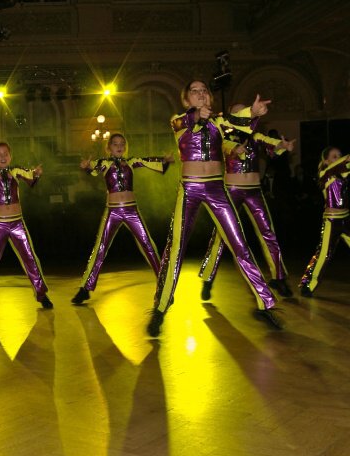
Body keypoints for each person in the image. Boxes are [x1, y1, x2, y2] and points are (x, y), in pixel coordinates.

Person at [147, 81, 280, 337]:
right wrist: (197, 115)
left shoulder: (219, 122)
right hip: (190, 189)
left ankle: (265, 303)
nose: (201, 94)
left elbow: (237, 123)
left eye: (204, 91)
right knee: (176, 247)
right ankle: (160, 307)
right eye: (194, 91)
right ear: (186, 100)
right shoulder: (179, 120)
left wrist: (252, 112)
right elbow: (185, 122)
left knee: (240, 244)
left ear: (209, 97)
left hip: (217, 189)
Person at [198, 104, 296, 300]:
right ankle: (208, 278)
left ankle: (278, 277)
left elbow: (270, 142)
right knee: (221, 235)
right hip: (231, 190)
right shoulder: (223, 135)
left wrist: (282, 145)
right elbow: (224, 147)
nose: (242, 114)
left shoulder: (255, 136)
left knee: (267, 232)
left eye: (244, 110)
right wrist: (235, 148)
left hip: (254, 191)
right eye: (237, 112)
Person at [72, 133, 172, 305]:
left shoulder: (132, 162)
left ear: (125, 147)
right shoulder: (104, 163)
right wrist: (86, 166)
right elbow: (92, 168)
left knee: (148, 244)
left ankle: (164, 284)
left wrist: (165, 160)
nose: (119, 146)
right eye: (115, 144)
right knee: (100, 248)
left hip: (131, 210)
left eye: (122, 144)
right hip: (112, 211)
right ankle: (85, 288)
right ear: (109, 148)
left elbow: (150, 161)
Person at [0, 141, 52, 308]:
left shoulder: (16, 170)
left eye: (5, 154)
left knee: (30, 257)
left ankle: (41, 293)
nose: (3, 157)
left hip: (17, 223)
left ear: (10, 156)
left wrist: (37, 173)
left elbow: (31, 178)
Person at [298, 147, 350, 297]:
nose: (338, 158)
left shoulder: (344, 173)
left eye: (339, 155)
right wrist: (345, 159)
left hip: (346, 219)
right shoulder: (324, 174)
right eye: (334, 156)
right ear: (326, 161)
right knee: (324, 254)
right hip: (331, 221)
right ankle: (308, 284)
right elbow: (341, 164)